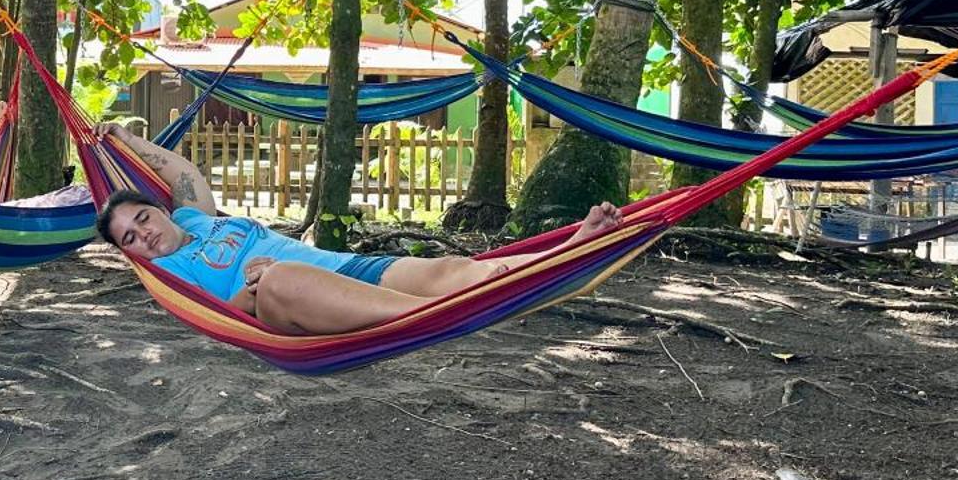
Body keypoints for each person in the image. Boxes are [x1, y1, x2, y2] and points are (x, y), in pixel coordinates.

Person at [92, 124, 624, 336]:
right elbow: (225, 319)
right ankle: (438, 319)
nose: (144, 235)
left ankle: (566, 255)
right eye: (129, 239)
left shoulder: (193, 218)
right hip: (286, 306)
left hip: (347, 271)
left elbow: (183, 173)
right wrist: (253, 291)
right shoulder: (165, 274)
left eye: (143, 217)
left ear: (160, 211)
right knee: (284, 276)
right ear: (129, 254)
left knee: (450, 269)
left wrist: (122, 141)